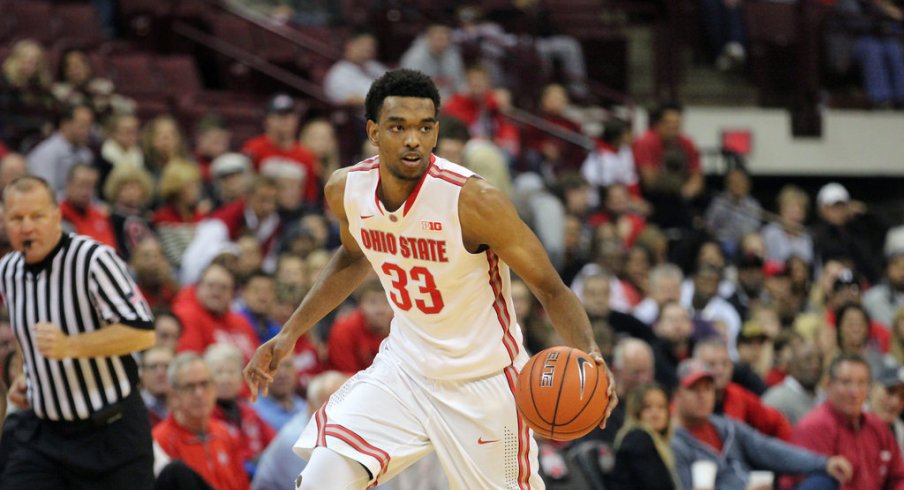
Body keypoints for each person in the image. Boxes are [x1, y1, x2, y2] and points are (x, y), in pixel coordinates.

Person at [243, 69, 616, 489]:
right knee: (321, 480)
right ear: (373, 131)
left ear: (436, 132)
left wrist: (590, 355)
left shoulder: (475, 201)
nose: (412, 140)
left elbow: (550, 287)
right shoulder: (346, 190)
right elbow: (352, 257)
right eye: (398, 127)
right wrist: (288, 334)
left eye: (424, 127)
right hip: (404, 369)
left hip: (483, 383)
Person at [0, 176, 157, 488]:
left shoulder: (94, 260)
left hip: (112, 433)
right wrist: (27, 374)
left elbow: (142, 332)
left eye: (37, 216)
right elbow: (26, 333)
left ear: (57, 216)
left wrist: (71, 346)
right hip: (46, 437)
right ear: (4, 221)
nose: (27, 227)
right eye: (17, 218)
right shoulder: (8, 270)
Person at [671, 358, 853, 490]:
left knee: (825, 479)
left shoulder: (726, 426)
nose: (703, 396)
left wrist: (824, 462)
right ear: (677, 395)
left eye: (708, 389)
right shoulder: (674, 442)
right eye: (694, 390)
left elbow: (768, 449)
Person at [792, 353, 904, 490]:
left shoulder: (877, 426)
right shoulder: (813, 427)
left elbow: (899, 477)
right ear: (828, 384)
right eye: (846, 382)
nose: (855, 392)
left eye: (861, 383)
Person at [153, 352, 250, 490]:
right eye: (189, 387)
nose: (199, 394)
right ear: (174, 395)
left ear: (214, 388)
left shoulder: (224, 433)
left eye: (204, 384)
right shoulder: (160, 441)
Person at [608, 383, 679, 490]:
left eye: (661, 407)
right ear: (636, 411)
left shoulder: (655, 442)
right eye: (647, 407)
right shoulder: (638, 439)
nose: (655, 413)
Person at [26, 104, 94, 197]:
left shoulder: (86, 154)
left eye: (89, 126)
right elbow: (45, 193)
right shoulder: (45, 153)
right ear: (65, 124)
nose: (87, 131)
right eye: (82, 125)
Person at [762, 339, 823, 424]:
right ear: (792, 365)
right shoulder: (776, 400)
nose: (815, 365)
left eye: (820, 360)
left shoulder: (827, 399)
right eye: (808, 360)